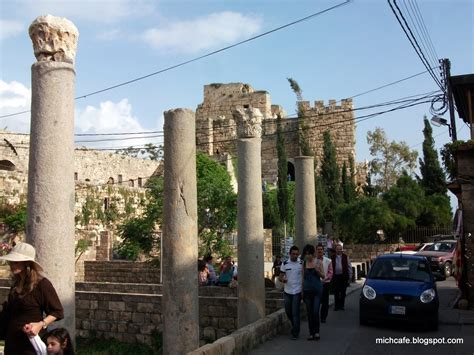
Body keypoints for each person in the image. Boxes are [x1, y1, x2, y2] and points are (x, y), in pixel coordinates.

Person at [0, 242, 64, 354]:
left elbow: (57, 311)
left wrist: (40, 325)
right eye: (11, 261)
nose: (12, 265)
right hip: (12, 342)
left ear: (27, 263)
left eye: (16, 262)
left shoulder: (42, 284)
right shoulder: (16, 283)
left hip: (30, 344)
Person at [279, 246, 302, 340]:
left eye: (297, 254)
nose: (295, 255)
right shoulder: (285, 264)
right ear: (290, 254)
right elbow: (280, 276)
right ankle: (295, 325)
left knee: (295, 312)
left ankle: (295, 332)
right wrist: (282, 280)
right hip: (287, 291)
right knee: (288, 311)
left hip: (297, 291)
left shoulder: (301, 263)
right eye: (293, 254)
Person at [301, 244, 324, 341]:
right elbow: (302, 278)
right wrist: (302, 291)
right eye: (306, 254)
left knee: (315, 311)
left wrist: (318, 272)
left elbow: (323, 276)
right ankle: (311, 333)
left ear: (313, 253)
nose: (308, 256)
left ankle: (317, 332)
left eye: (309, 254)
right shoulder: (303, 264)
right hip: (307, 290)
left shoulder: (318, 262)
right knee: (309, 312)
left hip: (317, 290)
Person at [331, 244, 352, 311]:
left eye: (340, 249)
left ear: (342, 249)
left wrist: (350, 276)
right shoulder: (332, 257)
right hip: (335, 276)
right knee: (336, 291)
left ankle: (342, 305)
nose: (339, 250)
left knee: (343, 291)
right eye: (338, 249)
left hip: (343, 276)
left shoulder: (346, 257)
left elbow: (349, 267)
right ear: (335, 250)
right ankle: (336, 306)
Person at [316, 244, 333, 323]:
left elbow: (330, 272)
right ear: (316, 251)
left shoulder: (328, 260)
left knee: (325, 301)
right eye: (318, 249)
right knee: (317, 300)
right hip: (316, 283)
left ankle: (323, 317)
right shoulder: (313, 261)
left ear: (323, 251)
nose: (319, 251)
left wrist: (325, 278)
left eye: (321, 249)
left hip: (325, 283)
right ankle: (316, 315)